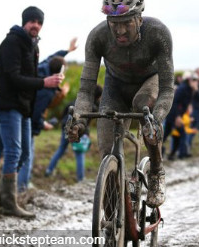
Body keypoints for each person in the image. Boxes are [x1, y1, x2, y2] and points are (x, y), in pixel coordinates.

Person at [67, 0, 174, 208]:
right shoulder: (98, 37)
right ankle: (113, 214)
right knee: (107, 149)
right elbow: (86, 89)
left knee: (142, 103)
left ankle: (156, 172)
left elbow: (168, 88)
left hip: (150, 83)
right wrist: (79, 121)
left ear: (139, 19)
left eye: (127, 23)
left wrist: (156, 120)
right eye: (114, 24)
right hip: (115, 87)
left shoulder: (158, 33)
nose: (120, 31)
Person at [0, 6, 64, 219]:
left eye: (39, 22)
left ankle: (2, 196)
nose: (36, 25)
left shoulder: (33, 47)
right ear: (24, 22)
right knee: (12, 152)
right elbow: (13, 78)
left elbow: (31, 77)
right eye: (32, 21)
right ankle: (9, 202)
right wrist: (44, 82)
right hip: (8, 105)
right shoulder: (11, 43)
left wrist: (48, 86)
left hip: (24, 107)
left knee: (25, 152)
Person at [0, 39, 76, 196]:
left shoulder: (42, 68)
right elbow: (34, 111)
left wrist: (67, 51)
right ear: (59, 73)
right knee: (24, 154)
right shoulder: (47, 89)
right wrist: (42, 124)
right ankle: (20, 188)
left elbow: (52, 57)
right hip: (19, 116)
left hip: (1, 107)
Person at [46, 85, 103, 181]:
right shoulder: (93, 107)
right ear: (98, 96)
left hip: (66, 126)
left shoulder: (77, 100)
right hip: (77, 130)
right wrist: (86, 133)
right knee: (79, 153)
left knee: (61, 149)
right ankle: (80, 179)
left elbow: (65, 112)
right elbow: (86, 123)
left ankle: (49, 170)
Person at [163, 71, 199, 158]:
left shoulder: (190, 89)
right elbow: (174, 102)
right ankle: (182, 153)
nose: (195, 82)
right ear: (189, 80)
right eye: (193, 80)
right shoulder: (182, 88)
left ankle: (170, 154)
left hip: (177, 115)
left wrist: (195, 91)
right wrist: (177, 117)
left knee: (168, 134)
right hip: (173, 114)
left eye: (196, 80)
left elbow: (190, 101)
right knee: (181, 134)